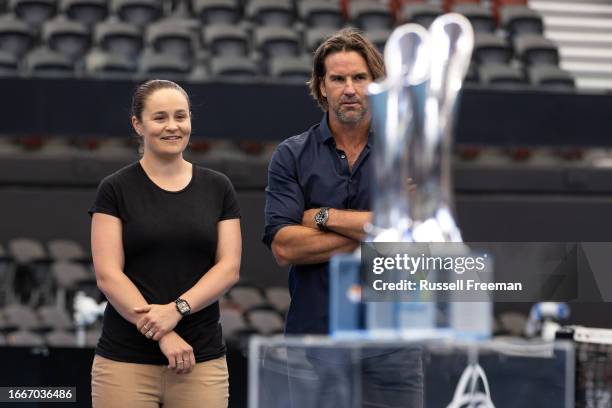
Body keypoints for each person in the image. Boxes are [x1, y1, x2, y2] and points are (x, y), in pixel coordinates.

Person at [262, 28, 423, 407]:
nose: (349, 88)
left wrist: (322, 216)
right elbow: (284, 247)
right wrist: (375, 227)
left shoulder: (404, 153)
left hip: (394, 346)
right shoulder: (291, 155)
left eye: (359, 78)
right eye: (338, 79)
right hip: (315, 342)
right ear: (321, 87)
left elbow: (409, 236)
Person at [89, 79, 241, 408]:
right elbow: (108, 275)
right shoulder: (114, 189)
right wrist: (164, 333)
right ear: (137, 124)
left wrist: (177, 310)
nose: (173, 126)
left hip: (200, 363)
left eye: (180, 116)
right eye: (160, 118)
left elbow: (228, 268)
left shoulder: (218, 187)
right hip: (125, 363)